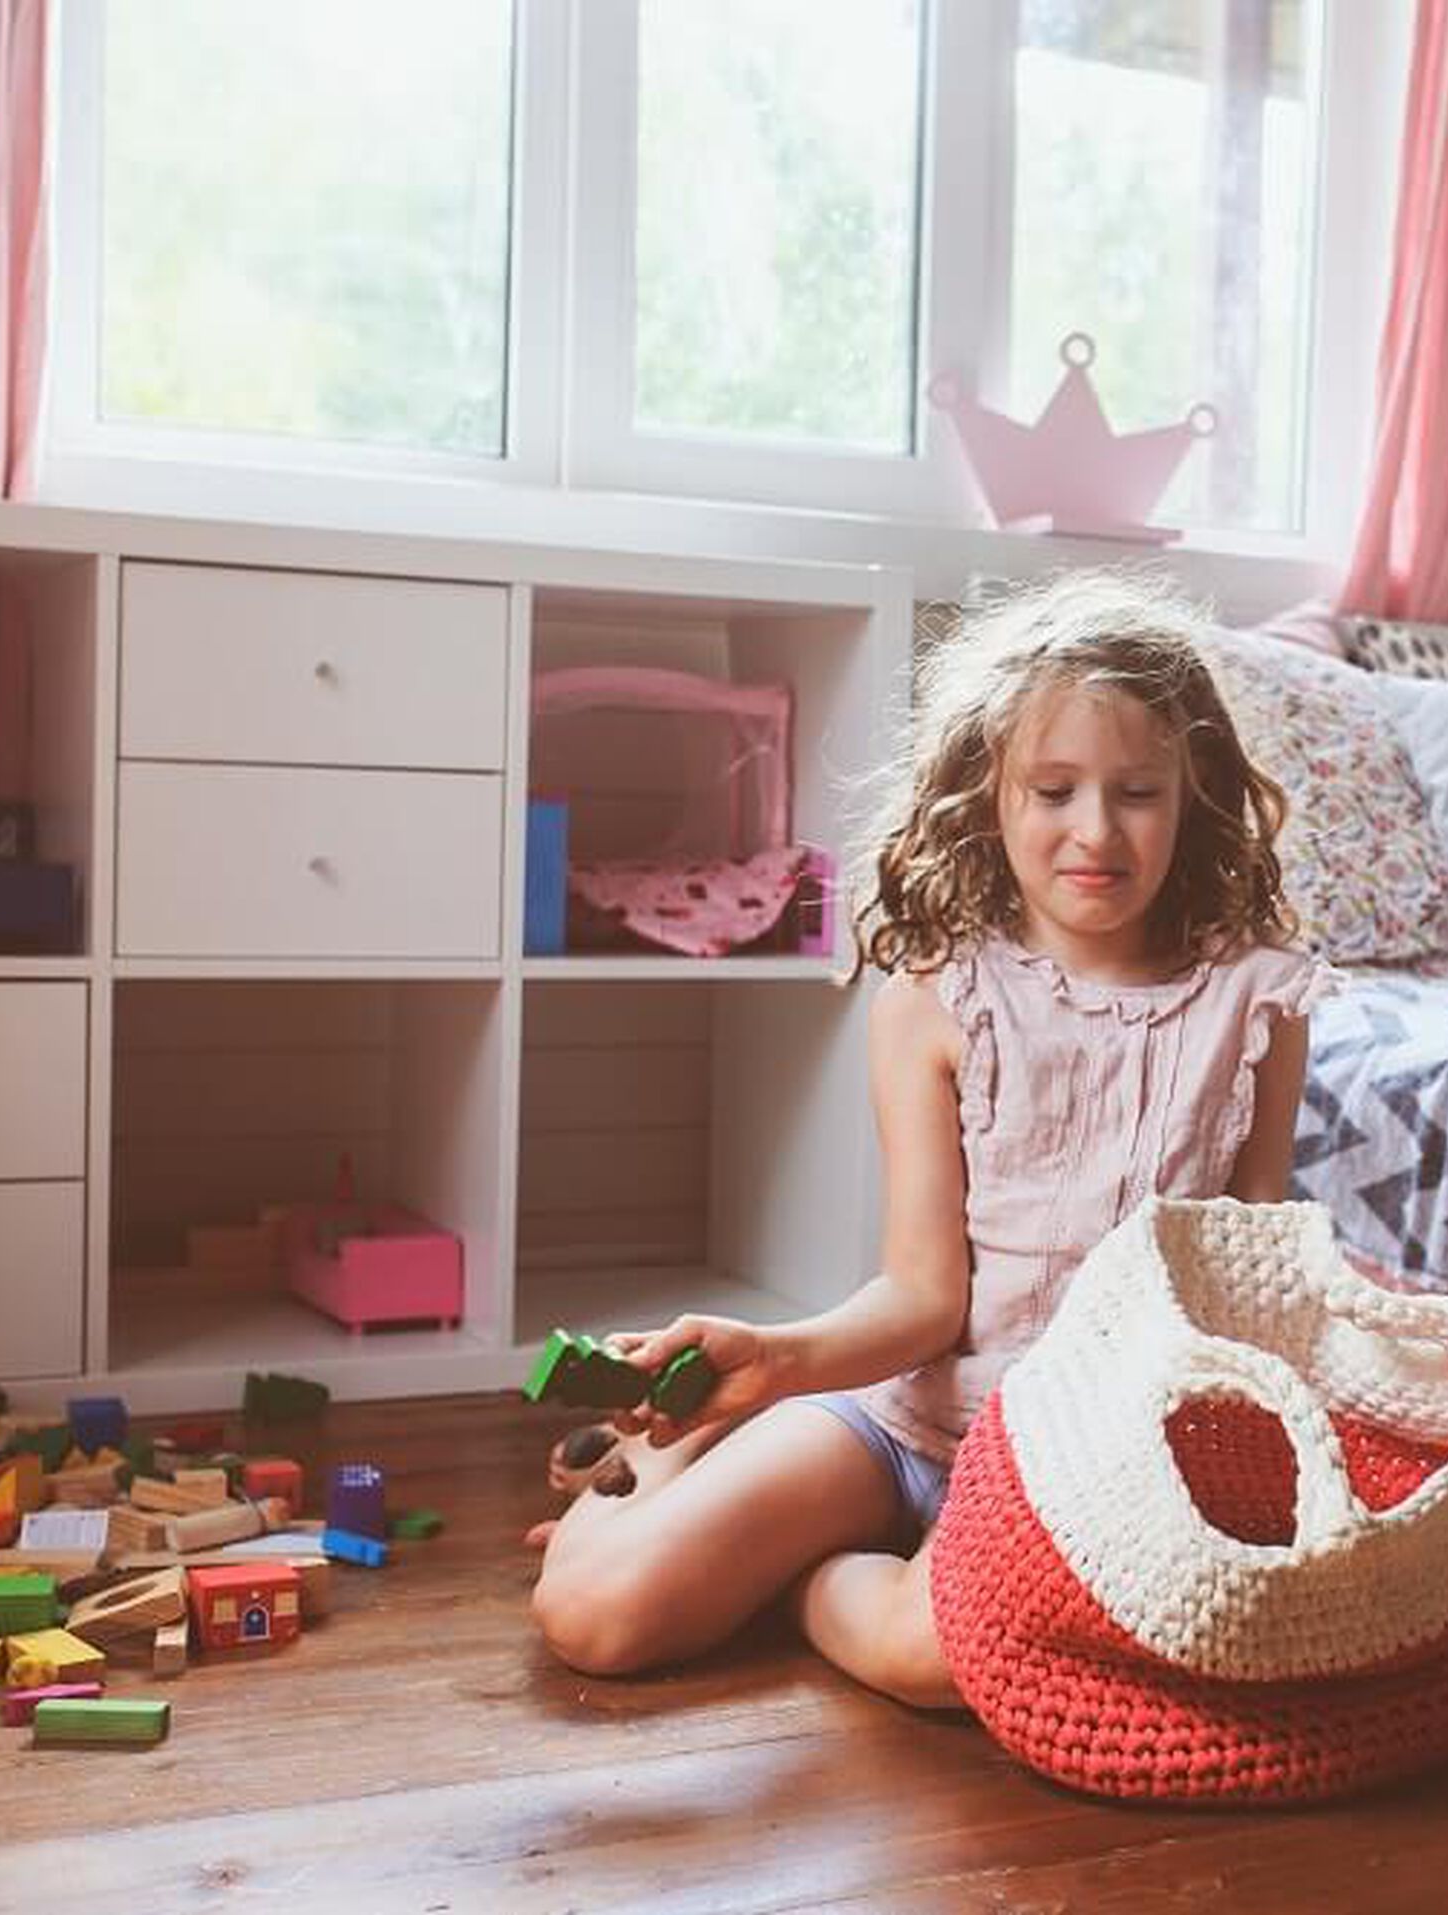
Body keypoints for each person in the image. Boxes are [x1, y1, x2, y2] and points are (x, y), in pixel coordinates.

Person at [526, 572, 1332, 1707]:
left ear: (1192, 794)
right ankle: (680, 1463)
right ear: (986, 789)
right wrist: (774, 1359)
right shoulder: (936, 997)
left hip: (1099, 1460)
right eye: (1053, 789)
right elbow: (922, 1297)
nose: (1096, 831)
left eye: (1138, 792)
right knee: (594, 1615)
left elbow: (1251, 1287)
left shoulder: (1258, 1001)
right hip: (907, 1422)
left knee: (946, 1663)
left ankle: (802, 1578)